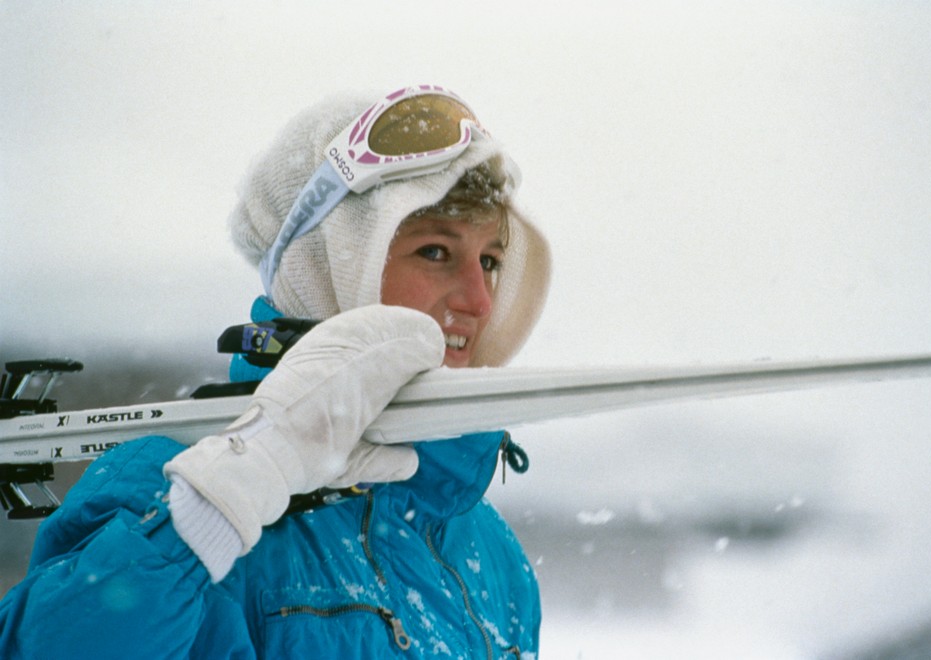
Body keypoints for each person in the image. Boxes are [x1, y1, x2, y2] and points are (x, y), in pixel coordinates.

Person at [0, 85, 551, 658]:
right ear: (330, 264)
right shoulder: (162, 490)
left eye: (490, 260)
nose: (480, 301)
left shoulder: (489, 550)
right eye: (436, 251)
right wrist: (232, 487)